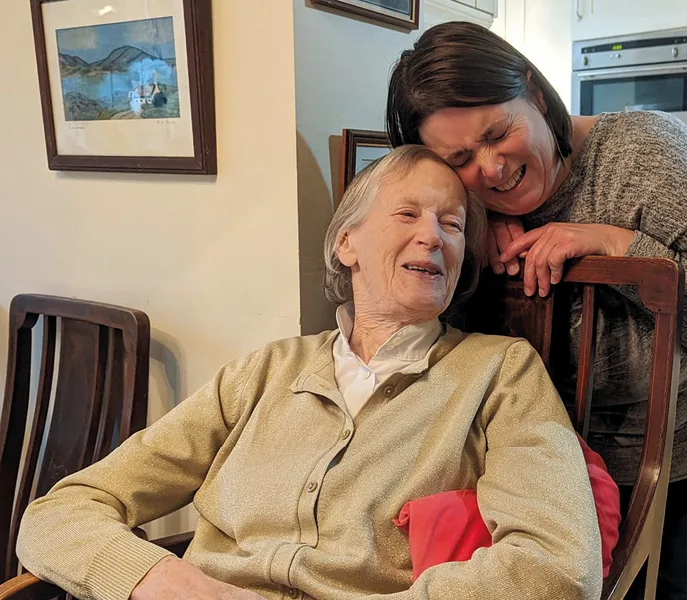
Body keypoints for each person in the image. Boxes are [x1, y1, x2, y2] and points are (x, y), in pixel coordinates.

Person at [15, 146, 604, 600]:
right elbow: (58, 513)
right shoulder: (265, 371)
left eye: (452, 226)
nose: (433, 235)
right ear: (346, 243)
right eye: (407, 213)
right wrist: (169, 583)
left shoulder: (500, 373)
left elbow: (555, 566)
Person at [386, 22, 687, 600]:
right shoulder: (461, 211)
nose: (492, 169)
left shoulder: (644, 155)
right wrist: (468, 228)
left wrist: (617, 244)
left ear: (534, 92)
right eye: (459, 159)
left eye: (498, 133)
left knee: (683, 587)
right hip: (579, 458)